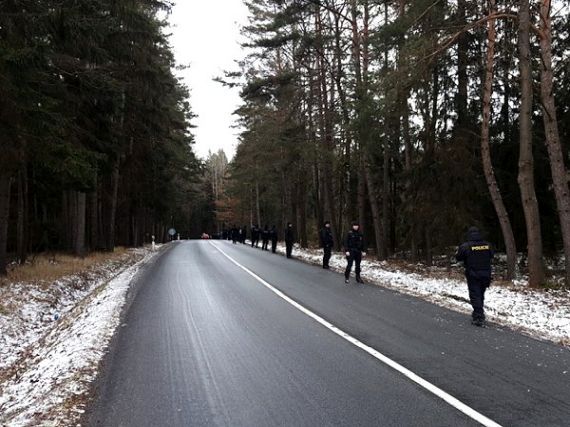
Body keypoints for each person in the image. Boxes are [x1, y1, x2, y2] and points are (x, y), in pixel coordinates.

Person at [456, 226, 494, 327]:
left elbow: (458, 257)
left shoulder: (466, 246)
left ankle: (478, 316)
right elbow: (491, 256)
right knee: (481, 293)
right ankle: (478, 312)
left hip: (473, 273)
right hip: (486, 273)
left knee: (475, 294)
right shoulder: (487, 245)